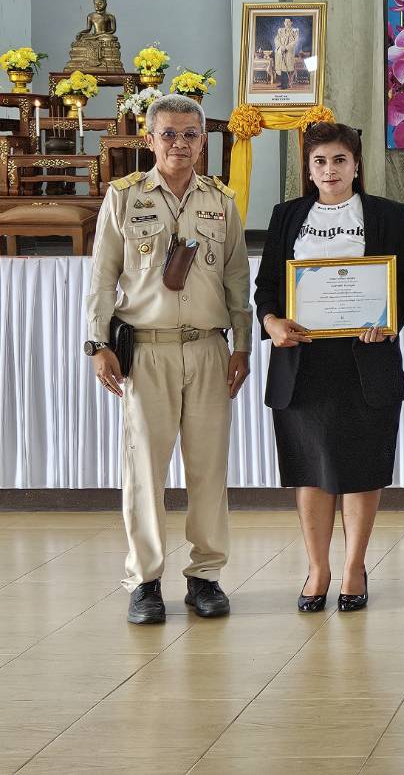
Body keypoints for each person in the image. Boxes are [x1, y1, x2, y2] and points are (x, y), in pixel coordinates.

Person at [83, 94, 251, 624]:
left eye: (190, 134)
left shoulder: (221, 201)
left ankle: (205, 576)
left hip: (206, 348)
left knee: (208, 470)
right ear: (150, 139)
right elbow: (103, 276)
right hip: (145, 351)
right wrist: (97, 342)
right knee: (143, 470)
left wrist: (242, 345)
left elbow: (235, 278)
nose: (180, 143)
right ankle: (145, 581)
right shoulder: (124, 197)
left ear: (204, 141)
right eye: (169, 134)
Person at [253, 122, 404, 613]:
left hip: (365, 359)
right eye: (320, 161)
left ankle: (353, 567)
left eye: (340, 160)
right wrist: (272, 322)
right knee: (311, 468)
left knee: (362, 469)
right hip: (303, 360)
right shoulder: (287, 216)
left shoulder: (387, 215)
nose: (330, 170)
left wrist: (390, 323)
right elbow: (266, 285)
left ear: (357, 165)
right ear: (308, 168)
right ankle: (318, 567)